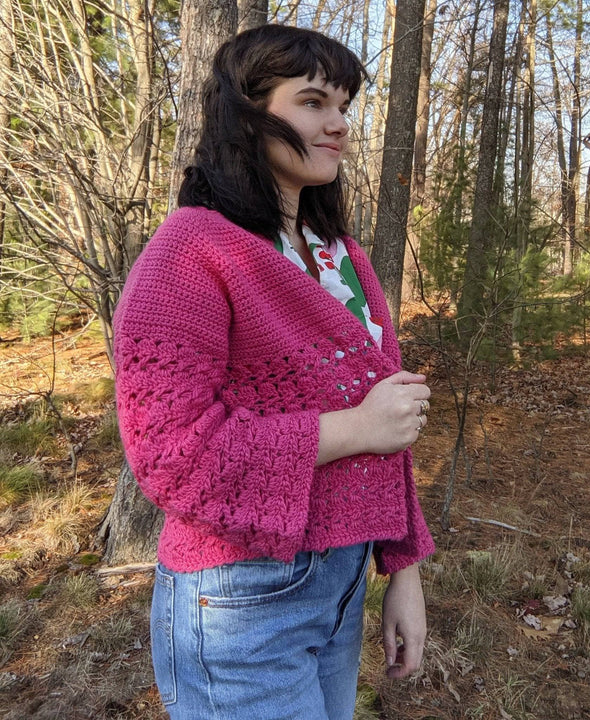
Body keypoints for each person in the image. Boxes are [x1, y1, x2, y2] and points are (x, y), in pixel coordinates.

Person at [113, 23, 435, 720]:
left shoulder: (338, 255)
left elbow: (390, 433)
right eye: (313, 102)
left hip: (342, 586)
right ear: (245, 111)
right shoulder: (190, 254)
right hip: (239, 601)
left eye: (344, 105)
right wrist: (354, 427)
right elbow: (170, 455)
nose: (340, 124)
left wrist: (402, 570)